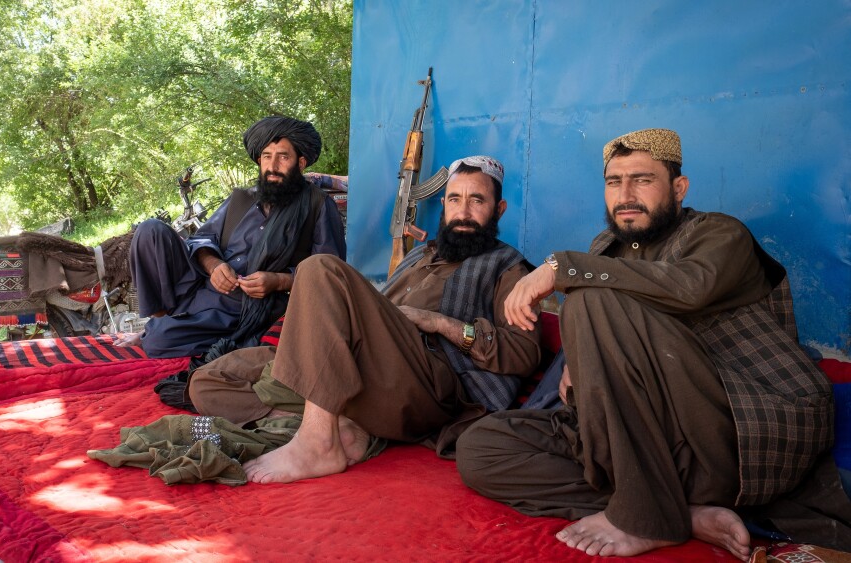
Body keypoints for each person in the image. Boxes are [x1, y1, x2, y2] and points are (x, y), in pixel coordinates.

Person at [455, 128, 851, 560]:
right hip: (642, 447)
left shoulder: (719, 233)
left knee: (594, 300)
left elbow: (687, 288)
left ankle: (645, 514)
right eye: (613, 182)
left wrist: (561, 267)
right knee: (481, 448)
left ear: (678, 188)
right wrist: (586, 370)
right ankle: (677, 510)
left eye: (642, 180)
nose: (625, 194)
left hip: (735, 430)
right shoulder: (607, 251)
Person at [188, 155, 542, 483]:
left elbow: (524, 354)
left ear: (499, 209)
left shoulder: (508, 268)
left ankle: (318, 444)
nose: (463, 211)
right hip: (363, 371)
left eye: (476, 200)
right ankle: (337, 425)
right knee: (208, 380)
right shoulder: (419, 255)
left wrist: (438, 322)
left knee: (317, 268)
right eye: (454, 199)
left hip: (424, 385)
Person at [118, 116, 346, 358]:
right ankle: (161, 320)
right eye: (267, 156)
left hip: (246, 308)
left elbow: (329, 273)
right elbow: (202, 240)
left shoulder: (318, 206)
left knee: (158, 342)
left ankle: (159, 332)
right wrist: (214, 265)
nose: (273, 165)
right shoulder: (243, 198)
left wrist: (278, 281)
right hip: (202, 287)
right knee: (150, 230)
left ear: (300, 163)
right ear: (259, 161)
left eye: (283, 156)